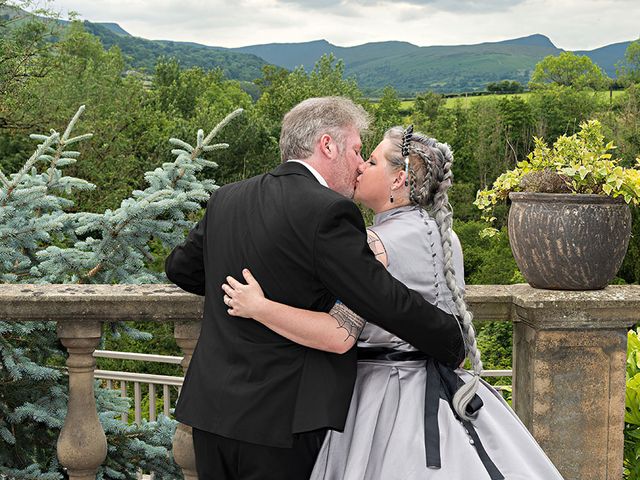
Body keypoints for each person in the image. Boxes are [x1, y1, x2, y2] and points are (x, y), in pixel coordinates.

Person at [222, 127, 565, 480]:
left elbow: (336, 333)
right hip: (447, 386)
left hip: (388, 397)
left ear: (398, 179)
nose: (359, 168)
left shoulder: (373, 245)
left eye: (370, 162)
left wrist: (259, 307)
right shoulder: (444, 236)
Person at [165, 97, 464, 480]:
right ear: (327, 145)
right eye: (357, 150)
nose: (359, 163)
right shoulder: (328, 212)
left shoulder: (228, 197)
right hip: (284, 420)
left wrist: (242, 290)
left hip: (213, 412)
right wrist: (451, 340)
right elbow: (382, 298)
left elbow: (180, 268)